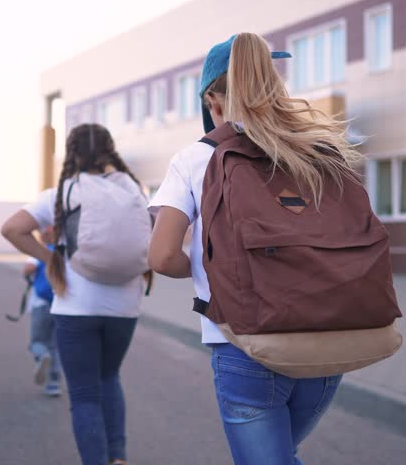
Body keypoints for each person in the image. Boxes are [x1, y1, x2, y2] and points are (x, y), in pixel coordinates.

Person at [148, 33, 362, 464]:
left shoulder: (196, 157)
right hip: (329, 338)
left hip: (244, 342)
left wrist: (215, 265)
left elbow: (161, 256)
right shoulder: (320, 149)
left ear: (213, 98)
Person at [1, 123, 150, 465]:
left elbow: (11, 228)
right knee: (109, 378)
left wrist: (53, 260)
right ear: (111, 151)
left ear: (72, 153)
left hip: (76, 307)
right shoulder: (136, 189)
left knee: (84, 395)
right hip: (125, 307)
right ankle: (118, 458)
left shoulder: (61, 193)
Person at [22, 225, 61, 397]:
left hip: (40, 303)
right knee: (54, 345)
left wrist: (29, 275)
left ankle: (42, 356)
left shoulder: (40, 251)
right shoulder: (63, 252)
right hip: (60, 305)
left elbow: (28, 269)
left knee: (36, 342)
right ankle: (54, 383)